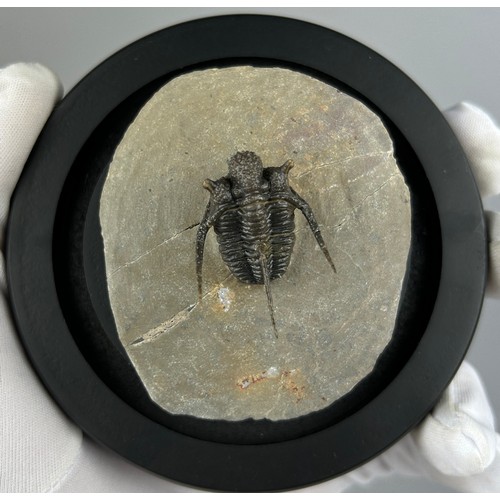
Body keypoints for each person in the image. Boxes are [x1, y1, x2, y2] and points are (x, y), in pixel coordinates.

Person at [1, 63, 499, 493]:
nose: (247, 174)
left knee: (263, 236)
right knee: (260, 237)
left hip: (265, 254)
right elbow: (239, 226)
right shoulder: (254, 191)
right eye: (242, 174)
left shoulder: (238, 193)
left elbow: (284, 215)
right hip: (251, 254)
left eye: (249, 172)